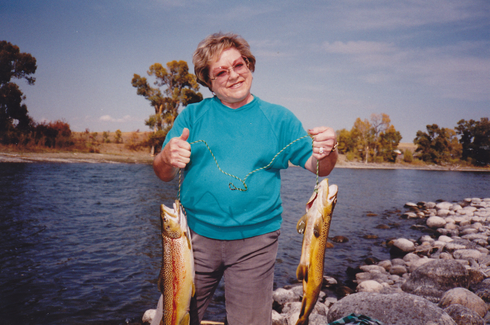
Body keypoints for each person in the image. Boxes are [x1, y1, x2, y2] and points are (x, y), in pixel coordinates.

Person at [153, 32, 338, 325]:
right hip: (191, 240)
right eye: (221, 72)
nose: (233, 76)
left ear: (249, 64)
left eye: (239, 65)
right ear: (208, 81)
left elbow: (320, 167)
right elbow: (163, 173)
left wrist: (328, 149)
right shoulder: (191, 116)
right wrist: (166, 157)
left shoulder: (280, 118)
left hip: (256, 244)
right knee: (171, 319)